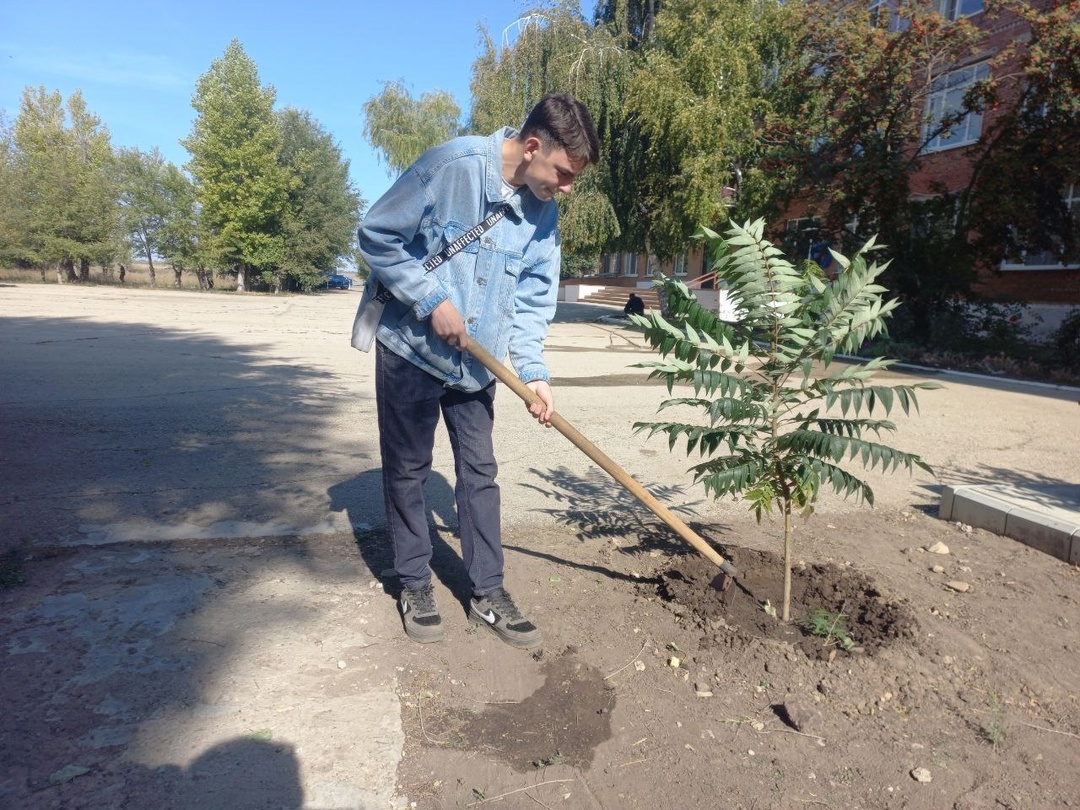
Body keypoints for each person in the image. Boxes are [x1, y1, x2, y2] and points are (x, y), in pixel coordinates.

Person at [356, 93, 600, 649]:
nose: (565, 189)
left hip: (476, 368)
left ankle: (487, 592)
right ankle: (414, 581)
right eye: (562, 174)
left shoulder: (544, 214)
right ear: (533, 147)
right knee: (409, 471)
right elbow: (377, 234)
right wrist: (431, 298)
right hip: (412, 351)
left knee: (480, 475)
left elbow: (535, 298)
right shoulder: (450, 167)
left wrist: (535, 372)